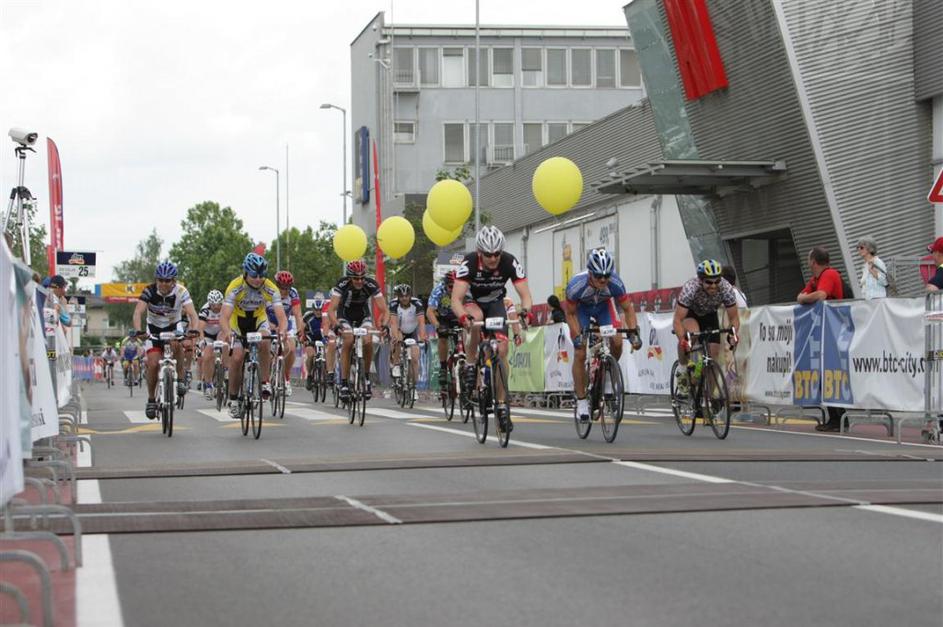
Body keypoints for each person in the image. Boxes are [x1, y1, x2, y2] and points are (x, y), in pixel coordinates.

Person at [451, 225, 533, 431]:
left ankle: (502, 405)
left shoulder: (509, 261)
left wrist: (526, 312)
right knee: (476, 319)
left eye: (497, 253)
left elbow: (525, 295)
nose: (493, 258)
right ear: (480, 252)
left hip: (495, 303)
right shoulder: (469, 262)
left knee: (502, 351)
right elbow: (456, 300)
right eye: (488, 254)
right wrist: (463, 316)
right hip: (473, 301)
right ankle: (471, 364)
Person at [563, 248, 642, 422]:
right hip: (581, 310)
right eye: (599, 276)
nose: (603, 280)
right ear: (590, 273)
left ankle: (607, 378)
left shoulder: (616, 283)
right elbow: (570, 313)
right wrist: (578, 336)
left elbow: (628, 308)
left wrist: (633, 332)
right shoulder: (576, 285)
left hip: (604, 307)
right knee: (580, 352)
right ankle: (582, 401)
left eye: (606, 276)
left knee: (618, 342)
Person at [218, 253, 288, 419]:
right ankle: (233, 399)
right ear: (245, 273)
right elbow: (224, 317)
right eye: (254, 275)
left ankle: (264, 382)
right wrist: (227, 332)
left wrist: (283, 330)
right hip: (237, 321)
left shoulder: (270, 287)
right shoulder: (235, 286)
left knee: (265, 340)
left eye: (261, 275)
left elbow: (281, 316)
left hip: (258, 319)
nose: (258, 279)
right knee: (237, 357)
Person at [131, 261, 200, 419]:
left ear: (174, 281)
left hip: (173, 326)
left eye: (167, 280)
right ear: (156, 280)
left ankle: (180, 378)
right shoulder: (149, 291)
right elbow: (138, 312)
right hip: (153, 328)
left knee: (178, 345)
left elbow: (193, 314)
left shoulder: (181, 291)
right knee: (153, 364)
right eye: (160, 280)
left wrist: (194, 329)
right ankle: (151, 400)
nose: (163, 283)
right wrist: (139, 331)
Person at [672, 259, 740, 396]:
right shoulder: (691, 288)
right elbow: (677, 320)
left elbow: (734, 318)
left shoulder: (726, 289)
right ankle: (682, 367)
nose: (713, 286)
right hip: (691, 313)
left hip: (710, 315)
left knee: (713, 356)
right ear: (701, 280)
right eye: (709, 282)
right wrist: (682, 340)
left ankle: (708, 397)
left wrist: (732, 334)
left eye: (716, 281)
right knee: (693, 333)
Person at [796, 247, 845, 431]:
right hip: (825, 330)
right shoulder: (816, 278)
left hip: (833, 330)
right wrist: (805, 298)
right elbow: (801, 295)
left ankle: (838, 419)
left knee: (830, 373)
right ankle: (836, 418)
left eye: (809, 259)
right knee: (825, 373)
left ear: (813, 261)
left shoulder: (829, 274)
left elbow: (821, 295)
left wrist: (804, 298)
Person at [326, 259, 389, 402]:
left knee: (368, 340)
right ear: (349, 277)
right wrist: (336, 325)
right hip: (345, 315)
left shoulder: (371, 284)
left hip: (363, 316)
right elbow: (331, 310)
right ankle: (344, 383)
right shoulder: (342, 284)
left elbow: (385, 310)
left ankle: (366, 378)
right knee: (348, 341)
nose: (359, 281)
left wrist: (384, 325)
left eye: (362, 278)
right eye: (356, 278)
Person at [266, 270, 304, 397]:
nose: (284, 291)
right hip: (268, 323)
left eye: (287, 288)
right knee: (267, 352)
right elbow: (261, 313)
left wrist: (300, 331)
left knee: (291, 349)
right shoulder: (269, 291)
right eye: (282, 287)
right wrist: (272, 326)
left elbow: (298, 314)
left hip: (285, 324)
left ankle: (286, 378)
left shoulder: (293, 293)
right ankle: (266, 380)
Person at [388, 284, 427, 401]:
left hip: (412, 331)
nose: (404, 298)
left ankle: (413, 388)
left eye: (407, 296)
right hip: (399, 329)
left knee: (414, 359)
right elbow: (393, 323)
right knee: (397, 340)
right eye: (401, 296)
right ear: (398, 297)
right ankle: (396, 364)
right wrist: (395, 337)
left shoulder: (417, 303)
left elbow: (421, 322)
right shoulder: (393, 304)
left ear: (410, 295)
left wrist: (422, 337)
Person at [198, 289, 225, 399]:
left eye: (218, 305)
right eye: (213, 305)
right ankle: (208, 384)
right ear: (209, 304)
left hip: (220, 332)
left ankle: (226, 372)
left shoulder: (225, 308)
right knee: (207, 356)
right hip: (208, 335)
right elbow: (200, 328)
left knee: (226, 346)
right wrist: (201, 340)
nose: (216, 307)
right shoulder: (205, 310)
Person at [302, 292, 331, 391]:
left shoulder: (326, 316)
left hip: (323, 337)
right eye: (316, 310)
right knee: (310, 355)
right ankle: (309, 376)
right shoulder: (308, 316)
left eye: (320, 310)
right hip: (311, 338)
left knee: (328, 354)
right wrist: (302, 338)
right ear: (313, 309)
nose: (318, 312)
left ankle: (327, 373)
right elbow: (301, 328)